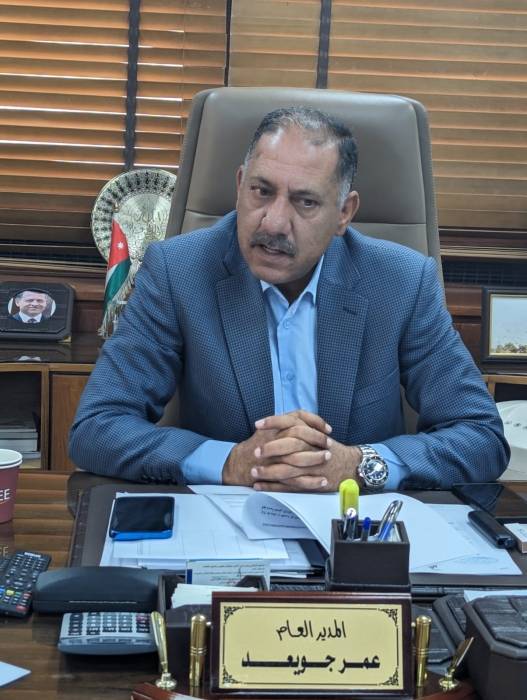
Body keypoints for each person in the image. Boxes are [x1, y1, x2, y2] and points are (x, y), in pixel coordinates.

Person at [69, 107, 509, 492]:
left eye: (305, 202)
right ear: (239, 185)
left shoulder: (401, 283)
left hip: (354, 530)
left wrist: (358, 465)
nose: (274, 223)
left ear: (344, 213)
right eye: (262, 191)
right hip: (226, 528)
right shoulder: (178, 272)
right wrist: (229, 462)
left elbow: (481, 436)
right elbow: (97, 428)